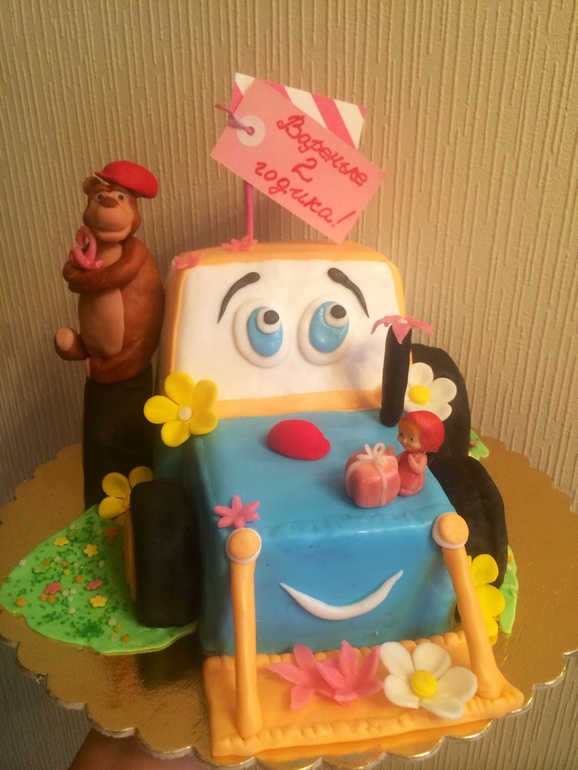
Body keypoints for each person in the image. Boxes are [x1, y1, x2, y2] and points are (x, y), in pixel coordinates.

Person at [396, 411, 444, 496]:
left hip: (412, 479)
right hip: (401, 474)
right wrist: (392, 458)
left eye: (411, 439)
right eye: (401, 434)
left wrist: (412, 461)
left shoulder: (422, 457)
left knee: (407, 484)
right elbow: (398, 459)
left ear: (426, 443)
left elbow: (419, 469)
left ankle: (408, 489)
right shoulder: (406, 453)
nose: (404, 441)